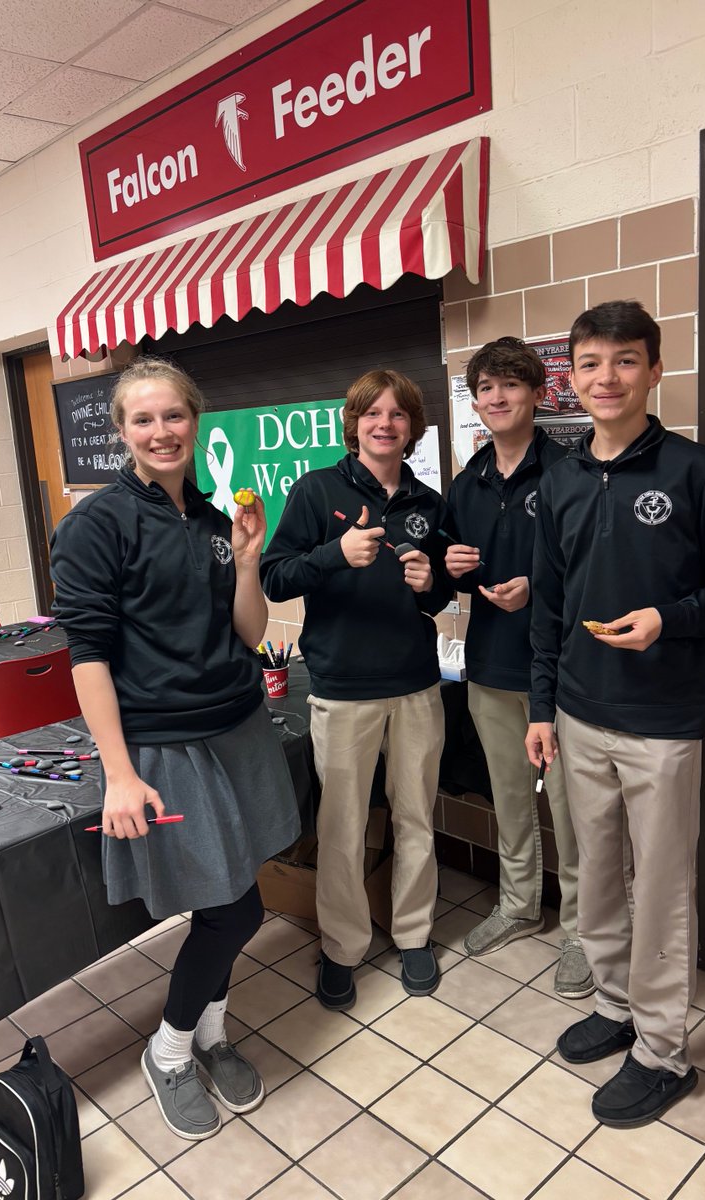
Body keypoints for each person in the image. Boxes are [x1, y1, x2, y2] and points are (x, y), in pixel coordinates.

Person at [525, 301, 705, 1128]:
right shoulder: (557, 478)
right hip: (580, 716)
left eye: (625, 361)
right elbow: (548, 606)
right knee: (594, 879)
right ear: (573, 375)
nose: (606, 379)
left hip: (663, 721)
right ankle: (617, 1005)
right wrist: (541, 707)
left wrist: (670, 618)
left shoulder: (696, 472)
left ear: (655, 370)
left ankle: (664, 1053)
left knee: (660, 891)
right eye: (590, 363)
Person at [50, 357, 300, 1142]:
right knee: (234, 912)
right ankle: (170, 1051)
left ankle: (213, 1033)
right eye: (143, 419)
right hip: (164, 747)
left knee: (238, 895)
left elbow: (252, 635)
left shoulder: (209, 517)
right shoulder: (95, 525)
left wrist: (249, 554)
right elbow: (86, 653)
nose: (162, 432)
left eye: (175, 417)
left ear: (197, 422)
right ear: (122, 432)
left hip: (237, 728)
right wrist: (118, 774)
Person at [260, 369, 453, 1008]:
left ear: (411, 428)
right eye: (374, 413)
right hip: (342, 687)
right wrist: (336, 554)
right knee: (341, 825)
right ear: (355, 423)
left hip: (416, 684)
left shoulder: (428, 502)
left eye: (398, 415)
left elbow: (442, 592)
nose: (385, 424)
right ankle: (342, 947)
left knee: (416, 816)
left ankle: (415, 934)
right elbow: (275, 578)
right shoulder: (317, 492)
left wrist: (433, 585)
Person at [445, 337, 591, 999]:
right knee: (510, 799)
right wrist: (447, 570)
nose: (497, 398)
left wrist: (538, 586)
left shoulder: (572, 470)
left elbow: (596, 569)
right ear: (475, 402)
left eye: (510, 385)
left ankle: (585, 931)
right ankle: (519, 902)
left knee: (575, 807)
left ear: (538, 393)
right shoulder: (466, 481)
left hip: (561, 672)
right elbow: (451, 564)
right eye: (486, 388)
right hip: (488, 665)